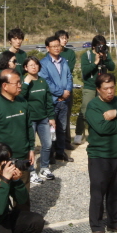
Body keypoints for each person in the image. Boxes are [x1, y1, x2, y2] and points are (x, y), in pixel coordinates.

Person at [85, 73, 117, 233]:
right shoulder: (93, 106)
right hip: (99, 155)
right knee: (98, 192)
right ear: (99, 90)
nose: (110, 91)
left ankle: (114, 220)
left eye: (112, 87)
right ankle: (97, 225)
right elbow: (102, 128)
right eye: (105, 89)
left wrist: (115, 113)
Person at [0, 69, 34, 188]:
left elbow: (29, 127)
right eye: (16, 83)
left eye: (20, 82)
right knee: (2, 194)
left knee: (23, 193)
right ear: (4, 86)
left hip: (22, 156)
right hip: (3, 160)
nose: (20, 85)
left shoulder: (23, 102)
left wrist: (31, 148)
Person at [21, 57, 56, 183]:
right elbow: (20, 97)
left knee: (47, 144)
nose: (34, 67)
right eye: (30, 65)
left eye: (35, 64)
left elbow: (48, 100)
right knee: (30, 147)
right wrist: (25, 83)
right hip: (30, 119)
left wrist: (51, 117)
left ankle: (44, 168)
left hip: (43, 118)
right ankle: (30, 171)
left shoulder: (42, 81)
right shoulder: (24, 81)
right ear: (25, 67)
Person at [39, 35, 74, 163]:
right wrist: (61, 93)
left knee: (62, 129)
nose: (56, 48)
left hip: (64, 101)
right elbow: (46, 82)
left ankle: (60, 152)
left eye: (58, 46)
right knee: (50, 129)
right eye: (53, 46)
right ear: (47, 48)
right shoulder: (43, 64)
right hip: (52, 101)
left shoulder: (64, 61)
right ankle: (50, 154)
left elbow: (69, 77)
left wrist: (68, 91)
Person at [76, 35, 115, 145]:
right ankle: (79, 133)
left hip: (103, 87)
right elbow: (85, 70)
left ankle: (100, 132)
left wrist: (105, 58)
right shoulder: (87, 55)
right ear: (93, 46)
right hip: (90, 86)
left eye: (103, 45)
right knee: (85, 111)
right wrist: (95, 62)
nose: (101, 48)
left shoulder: (106, 55)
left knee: (103, 110)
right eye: (99, 46)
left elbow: (112, 67)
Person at [55, 30, 78, 147]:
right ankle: (56, 143)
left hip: (67, 90)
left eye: (66, 38)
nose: (65, 40)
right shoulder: (51, 54)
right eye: (62, 38)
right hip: (55, 92)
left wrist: (66, 91)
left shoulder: (70, 53)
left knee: (67, 116)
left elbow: (68, 72)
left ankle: (67, 141)